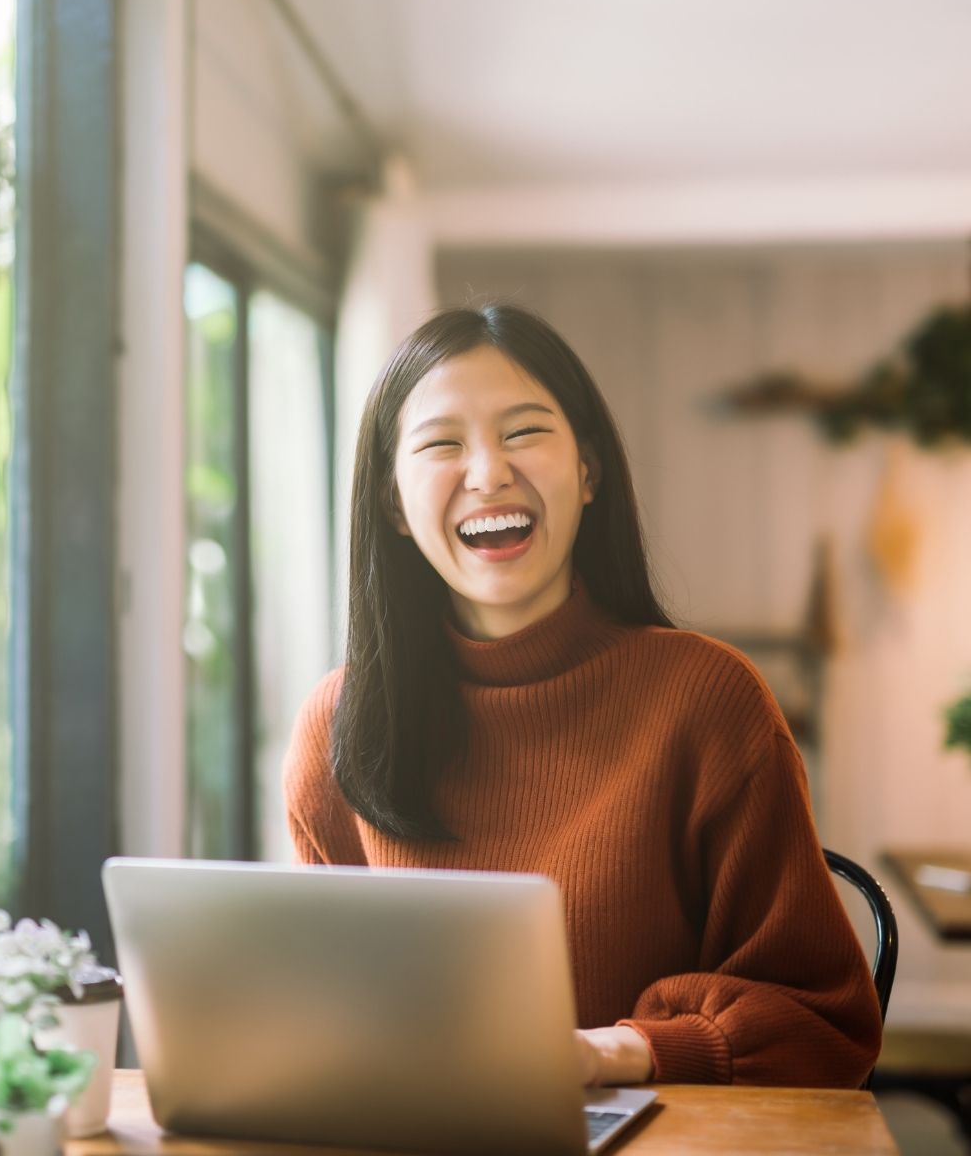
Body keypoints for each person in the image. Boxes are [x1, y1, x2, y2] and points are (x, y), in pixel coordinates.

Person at [283, 303, 881, 1088]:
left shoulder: (707, 700)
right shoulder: (341, 725)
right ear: (394, 504)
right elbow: (327, 1007)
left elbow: (825, 1023)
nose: (489, 472)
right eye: (440, 444)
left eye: (524, 432)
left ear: (589, 471)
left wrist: (616, 1052)